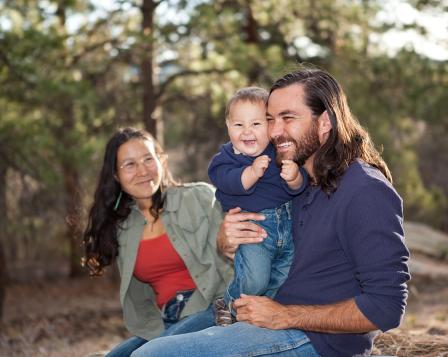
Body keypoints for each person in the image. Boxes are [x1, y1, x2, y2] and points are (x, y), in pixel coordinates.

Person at [131, 68, 410, 357]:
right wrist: (226, 242)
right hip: (260, 315)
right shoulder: (289, 180)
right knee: (131, 350)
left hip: (314, 340)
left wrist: (286, 316)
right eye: (270, 119)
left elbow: (387, 307)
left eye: (288, 118)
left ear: (325, 121)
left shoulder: (365, 190)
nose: (275, 132)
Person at [82, 127, 232, 356]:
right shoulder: (122, 228)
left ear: (161, 161)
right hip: (166, 322)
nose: (142, 171)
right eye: (130, 164)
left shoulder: (199, 198)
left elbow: (234, 260)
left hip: (212, 309)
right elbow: (140, 298)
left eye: (148, 159)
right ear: (115, 175)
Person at [208, 87, 307, 325]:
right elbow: (229, 182)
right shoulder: (226, 159)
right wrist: (251, 173)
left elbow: (299, 188)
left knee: (283, 278)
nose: (247, 132)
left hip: (287, 228)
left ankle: (253, 316)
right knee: (256, 280)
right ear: (228, 126)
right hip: (255, 229)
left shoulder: (279, 153)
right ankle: (229, 302)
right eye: (238, 125)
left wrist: (295, 177)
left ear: (270, 127)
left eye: (256, 124)